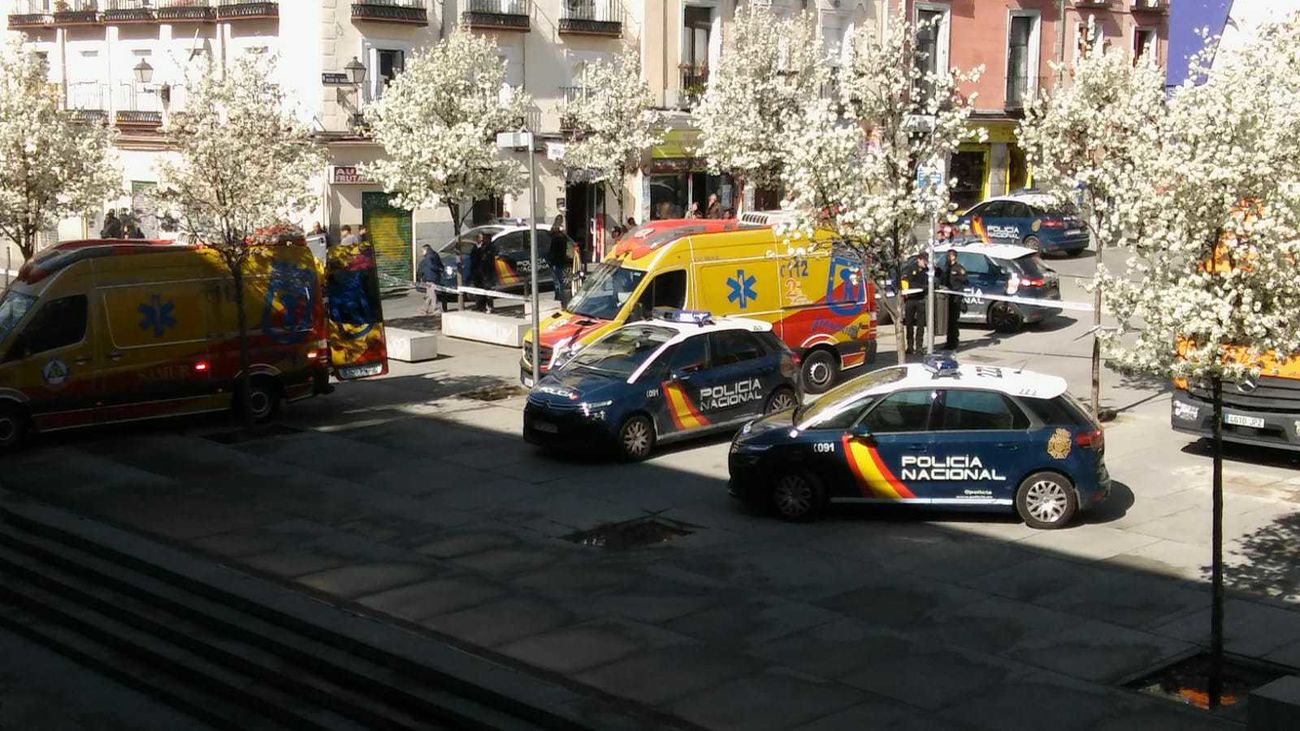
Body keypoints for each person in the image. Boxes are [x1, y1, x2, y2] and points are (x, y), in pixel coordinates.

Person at [901, 251, 930, 355]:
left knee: (921, 325)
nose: (925, 263)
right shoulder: (911, 269)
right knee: (909, 324)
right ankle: (910, 346)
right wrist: (922, 287)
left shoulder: (927, 270)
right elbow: (910, 283)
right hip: (911, 300)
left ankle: (919, 347)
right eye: (924, 261)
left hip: (921, 300)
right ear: (919, 259)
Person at [941, 249, 968, 351]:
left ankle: (954, 342)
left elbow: (965, 280)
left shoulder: (958, 268)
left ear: (953, 257)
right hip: (948, 298)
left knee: (953, 321)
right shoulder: (946, 268)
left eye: (949, 256)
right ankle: (949, 342)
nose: (947, 257)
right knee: (948, 321)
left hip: (955, 299)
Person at [468, 231, 498, 313]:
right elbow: (475, 258)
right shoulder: (479, 247)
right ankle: (480, 306)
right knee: (479, 290)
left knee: (488, 290)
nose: (482, 240)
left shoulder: (490, 247)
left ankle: (490, 306)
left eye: (484, 238)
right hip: (479, 273)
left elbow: (485, 259)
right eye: (482, 238)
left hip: (487, 273)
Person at [548, 215, 572, 307]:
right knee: (559, 281)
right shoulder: (558, 234)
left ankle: (558, 297)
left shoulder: (556, 233)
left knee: (558, 281)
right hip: (558, 259)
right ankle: (560, 298)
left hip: (557, 260)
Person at [416, 244, 446, 314]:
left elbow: (430, 266)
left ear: (426, 250)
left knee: (432, 293)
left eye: (422, 251)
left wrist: (422, 276)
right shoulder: (435, 254)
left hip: (430, 277)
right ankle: (424, 308)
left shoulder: (428, 257)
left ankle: (437, 308)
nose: (422, 253)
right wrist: (440, 269)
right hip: (434, 277)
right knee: (429, 293)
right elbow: (439, 264)